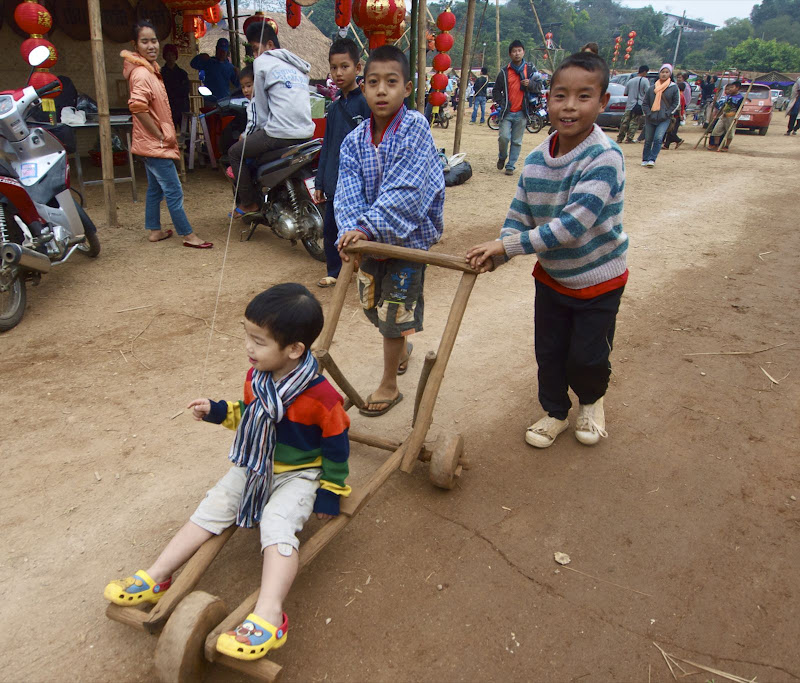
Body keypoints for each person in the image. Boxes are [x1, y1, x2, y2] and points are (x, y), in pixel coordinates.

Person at [103, 284, 350, 661]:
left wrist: (330, 492)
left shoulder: (323, 398)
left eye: (259, 341)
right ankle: (157, 576)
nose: (249, 348)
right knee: (212, 507)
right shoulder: (258, 379)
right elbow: (250, 415)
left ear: (294, 350)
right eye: (247, 336)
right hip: (255, 465)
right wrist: (217, 410)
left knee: (277, 523)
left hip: (298, 474)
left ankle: (269, 614)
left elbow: (336, 445)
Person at [466, 51, 627, 449]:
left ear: (602, 103)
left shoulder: (605, 157)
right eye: (560, 95)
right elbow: (519, 215)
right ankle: (555, 411)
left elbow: (571, 228)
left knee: (587, 357)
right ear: (547, 99)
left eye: (583, 96)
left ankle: (591, 402)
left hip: (599, 280)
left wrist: (508, 246)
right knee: (550, 353)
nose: (569, 106)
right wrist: (499, 252)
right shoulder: (536, 160)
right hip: (553, 280)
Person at [335, 45, 445, 417]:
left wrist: (365, 227)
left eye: (391, 82)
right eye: (374, 83)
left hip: (408, 242)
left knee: (394, 313)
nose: (382, 90)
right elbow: (346, 191)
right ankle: (401, 346)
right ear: (363, 88)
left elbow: (408, 190)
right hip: (368, 245)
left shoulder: (415, 128)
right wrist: (349, 230)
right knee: (374, 307)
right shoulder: (354, 141)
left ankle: (389, 384)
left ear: (408, 88)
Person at [122, 20, 212, 248]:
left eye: (153, 40)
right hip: (155, 144)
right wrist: (160, 135)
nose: (151, 45)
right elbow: (137, 106)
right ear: (135, 45)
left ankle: (154, 230)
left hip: (151, 142)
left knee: (155, 188)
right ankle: (188, 235)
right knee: (173, 189)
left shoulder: (150, 70)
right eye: (145, 41)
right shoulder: (142, 73)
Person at [230, 22, 315, 217]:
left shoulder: (262, 62)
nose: (254, 55)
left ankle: (249, 203)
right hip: (306, 132)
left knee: (235, 153)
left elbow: (260, 112)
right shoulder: (298, 65)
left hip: (280, 133)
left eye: (254, 48)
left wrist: (246, 136)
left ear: (269, 45)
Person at [313, 39, 370, 289]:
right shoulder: (334, 108)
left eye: (344, 66)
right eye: (334, 67)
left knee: (361, 228)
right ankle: (335, 271)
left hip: (361, 183)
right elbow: (327, 146)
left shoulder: (367, 103)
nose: (338, 73)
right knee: (331, 229)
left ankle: (367, 270)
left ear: (358, 68)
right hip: (336, 182)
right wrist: (320, 181)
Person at [493, 40, 541, 175]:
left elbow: (539, 86)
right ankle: (502, 156)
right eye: (514, 51)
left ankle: (511, 165)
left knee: (517, 141)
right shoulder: (504, 72)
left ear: (523, 52)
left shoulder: (530, 69)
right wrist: (502, 102)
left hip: (522, 111)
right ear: (510, 54)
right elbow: (496, 90)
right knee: (503, 137)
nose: (517, 53)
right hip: (507, 112)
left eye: (519, 50)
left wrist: (530, 83)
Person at [641, 64, 679, 168]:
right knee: (648, 140)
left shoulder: (674, 88)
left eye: (667, 72)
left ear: (670, 74)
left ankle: (652, 159)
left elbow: (676, 103)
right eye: (662, 72)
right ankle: (645, 158)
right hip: (650, 118)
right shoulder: (652, 88)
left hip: (664, 119)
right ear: (659, 73)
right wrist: (648, 113)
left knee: (658, 138)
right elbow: (645, 103)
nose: (664, 74)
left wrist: (667, 113)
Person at [190, 38, 239, 103]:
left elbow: (238, 85)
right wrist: (200, 57)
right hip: (210, 99)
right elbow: (193, 64)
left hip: (225, 100)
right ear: (216, 49)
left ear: (227, 52)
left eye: (223, 51)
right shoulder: (209, 62)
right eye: (220, 50)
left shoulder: (230, 67)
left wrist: (239, 75)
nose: (221, 53)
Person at [160, 43, 190, 130]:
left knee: (186, 135)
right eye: (168, 55)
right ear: (165, 56)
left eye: (172, 55)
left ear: (175, 56)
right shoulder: (161, 74)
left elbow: (186, 90)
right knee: (168, 135)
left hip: (182, 108)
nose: (170, 57)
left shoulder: (182, 73)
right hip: (167, 108)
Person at [617, 64, 648, 144]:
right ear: (644, 72)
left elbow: (625, 93)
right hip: (639, 104)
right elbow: (647, 93)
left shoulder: (630, 81)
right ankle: (629, 138)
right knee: (634, 122)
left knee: (625, 122)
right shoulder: (645, 81)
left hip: (629, 105)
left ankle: (620, 138)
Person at [708, 80, 743, 151]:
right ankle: (716, 145)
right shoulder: (728, 96)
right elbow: (723, 106)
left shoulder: (740, 98)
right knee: (716, 130)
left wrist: (737, 117)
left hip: (731, 116)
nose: (730, 89)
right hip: (723, 115)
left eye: (732, 87)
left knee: (729, 132)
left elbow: (740, 109)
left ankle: (726, 146)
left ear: (737, 88)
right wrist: (718, 115)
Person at [663, 71, 688, 150]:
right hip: (676, 114)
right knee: (670, 130)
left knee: (671, 131)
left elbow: (679, 106)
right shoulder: (682, 95)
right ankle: (666, 145)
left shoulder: (679, 95)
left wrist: (680, 115)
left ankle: (678, 140)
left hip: (676, 115)